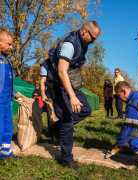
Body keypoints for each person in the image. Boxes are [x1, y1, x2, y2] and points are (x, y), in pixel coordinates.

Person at [47, 21, 100, 169]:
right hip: (58, 85)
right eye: (93, 38)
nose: (94, 41)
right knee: (69, 119)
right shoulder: (70, 44)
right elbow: (61, 71)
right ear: (85, 32)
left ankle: (55, 128)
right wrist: (72, 96)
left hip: (70, 84)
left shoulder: (83, 44)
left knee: (85, 109)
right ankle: (67, 159)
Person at [0, 31, 17, 161]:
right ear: (0, 40)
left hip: (7, 99)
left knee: (7, 126)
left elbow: (8, 79)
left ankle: (5, 152)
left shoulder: (7, 58)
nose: (11, 47)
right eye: (9, 44)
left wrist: (15, 92)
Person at [40, 48, 55, 126]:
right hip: (49, 90)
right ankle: (52, 130)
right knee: (50, 110)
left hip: (59, 89)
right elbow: (42, 80)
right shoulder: (45, 64)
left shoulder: (61, 61)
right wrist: (43, 94)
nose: (52, 59)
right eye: (51, 57)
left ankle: (61, 129)